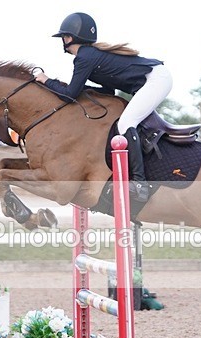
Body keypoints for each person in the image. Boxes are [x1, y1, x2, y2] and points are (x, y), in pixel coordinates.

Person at [34, 12, 173, 203]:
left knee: (126, 122)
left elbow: (69, 95)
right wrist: (77, 88)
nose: (63, 40)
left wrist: (46, 80)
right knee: (128, 121)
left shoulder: (84, 57)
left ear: (70, 38)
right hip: (155, 78)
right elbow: (108, 91)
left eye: (64, 36)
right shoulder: (90, 56)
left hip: (156, 79)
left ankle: (140, 184)